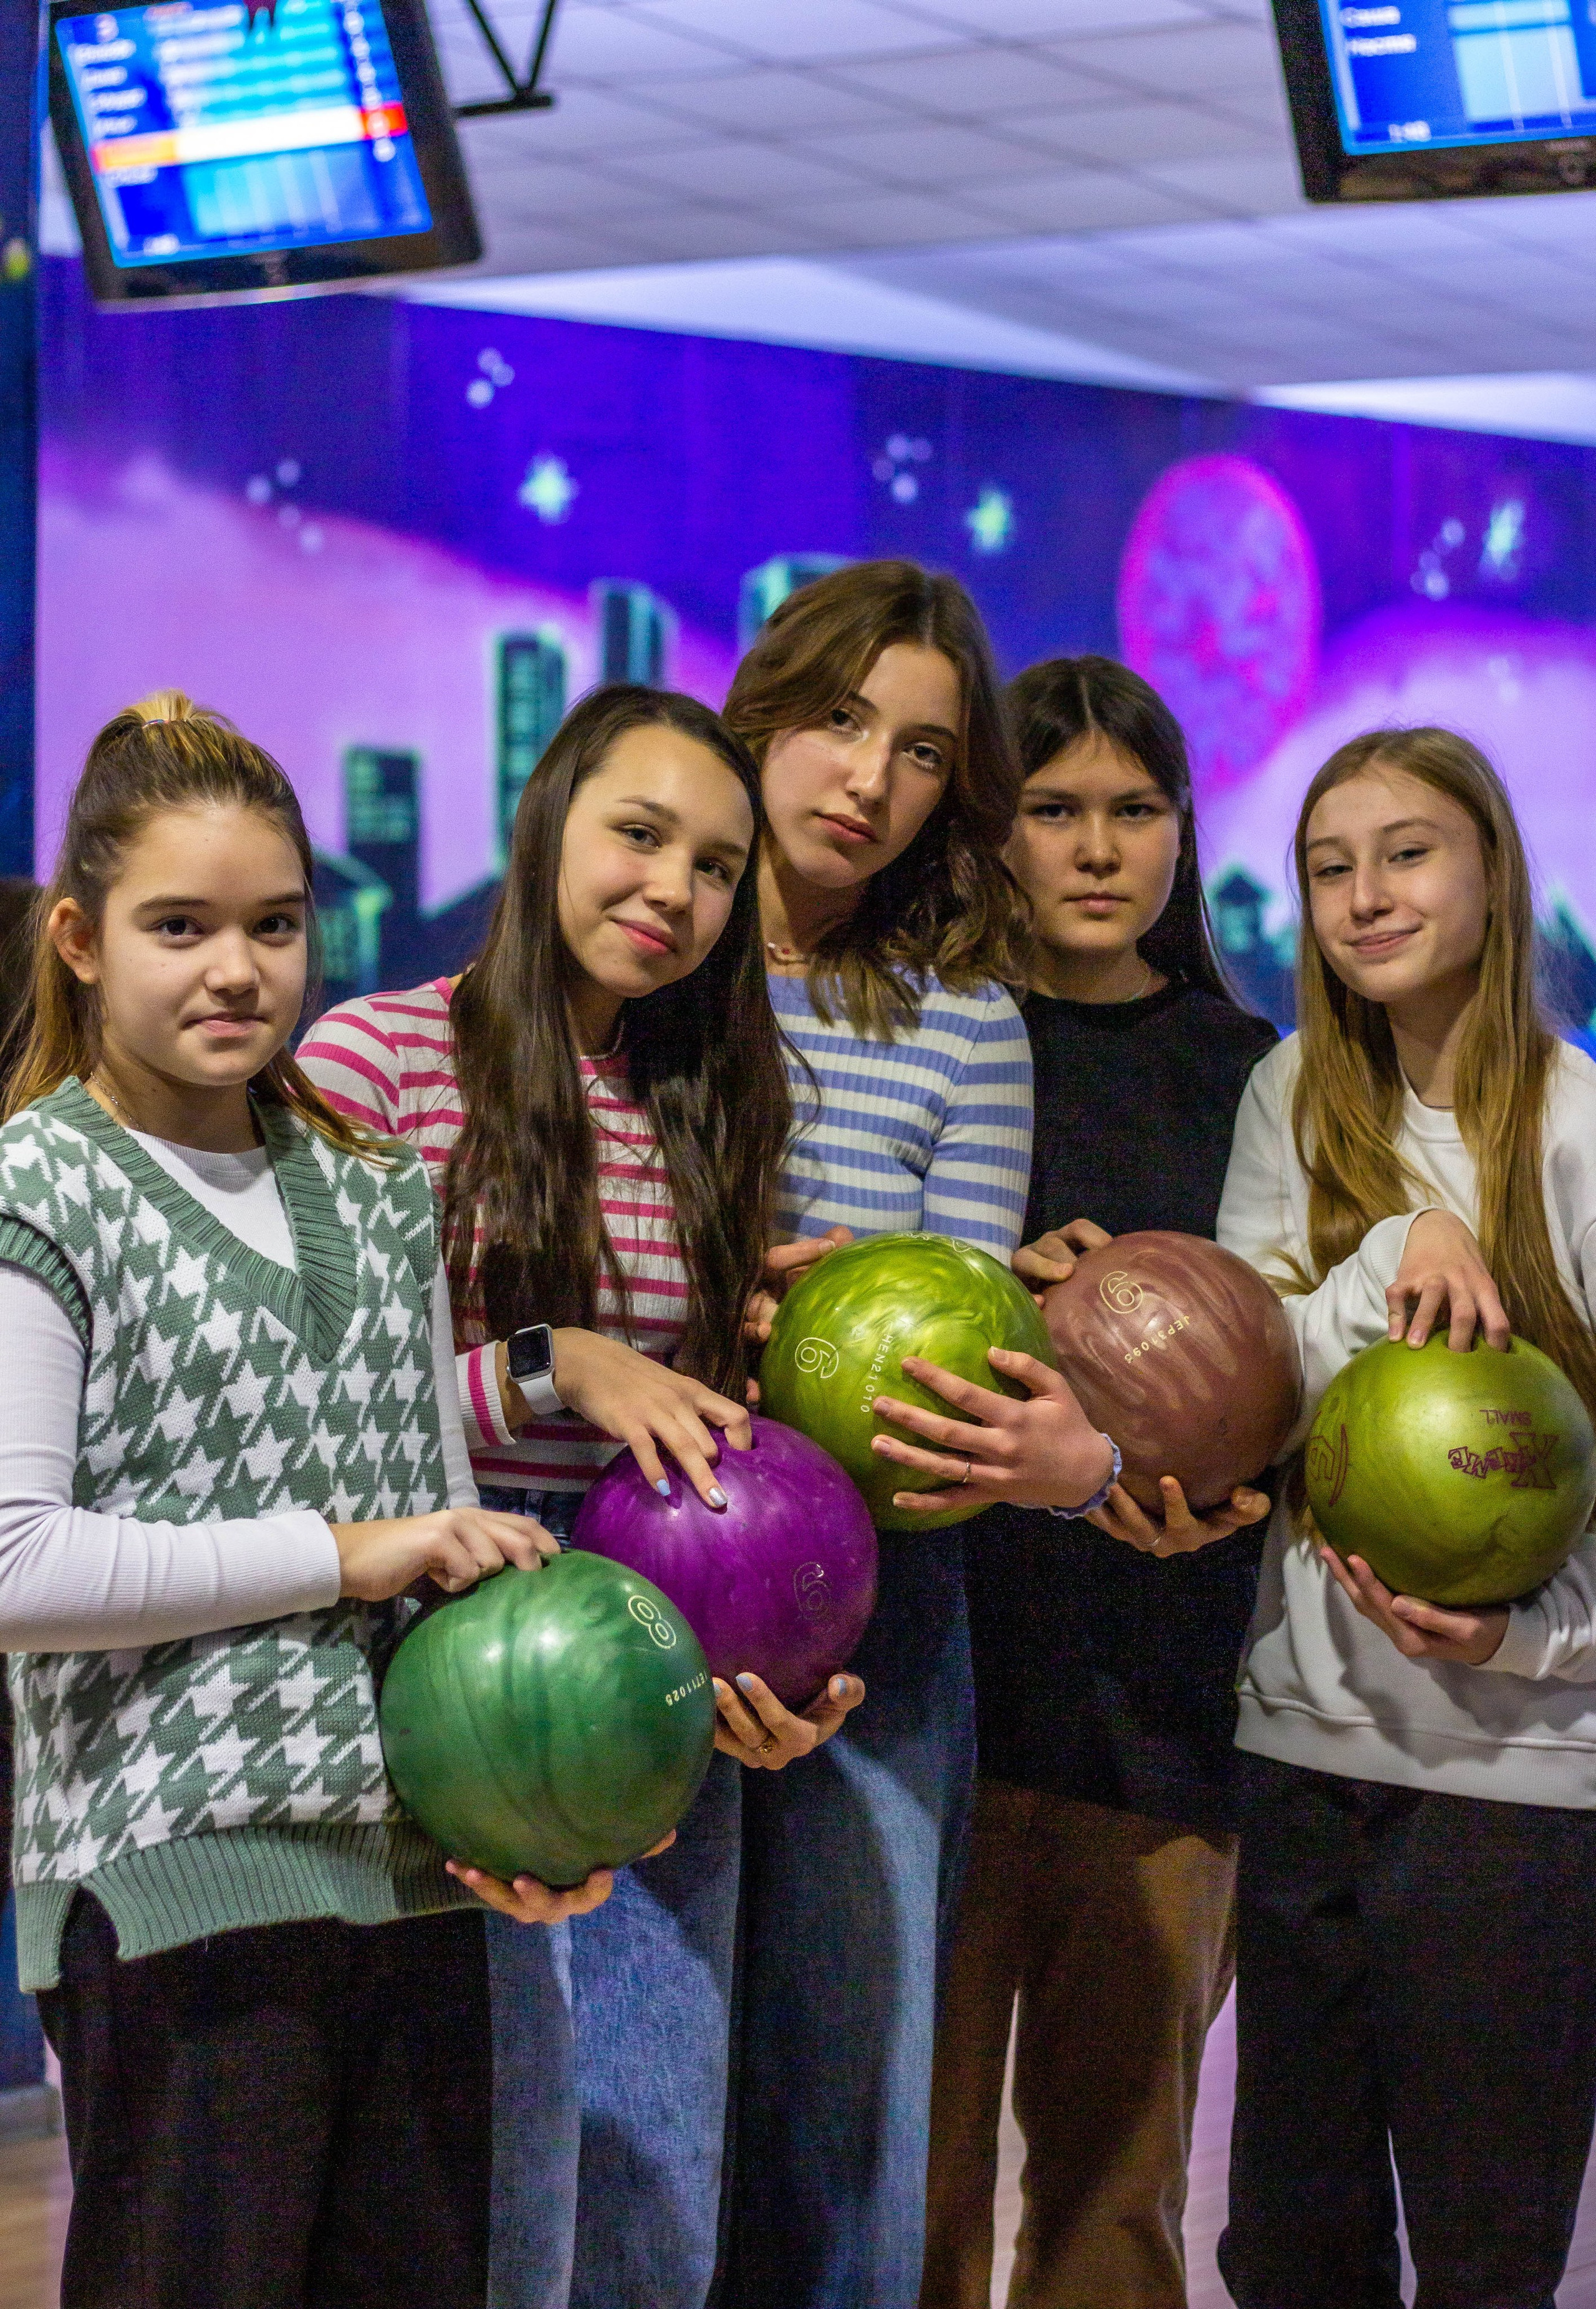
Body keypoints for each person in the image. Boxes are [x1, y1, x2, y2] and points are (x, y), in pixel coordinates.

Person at [0, 693, 598, 2309]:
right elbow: (17, 1566)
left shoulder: (376, 1187)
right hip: (173, 1888)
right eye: (177, 925)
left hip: (410, 1880)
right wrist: (338, 1556)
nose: (234, 969)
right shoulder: (35, 1187)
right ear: (78, 937)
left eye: (273, 924)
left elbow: (444, 1530)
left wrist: (529, 1814)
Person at [300, 685, 858, 2309]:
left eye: (712, 865)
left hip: (644, 1712)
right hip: (430, 1710)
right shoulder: (377, 1056)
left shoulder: (713, 1108)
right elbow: (323, 1419)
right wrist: (562, 1363)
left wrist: (762, 1663)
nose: (671, 891)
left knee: (650, 2236)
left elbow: (696, 1472)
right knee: (494, 2236)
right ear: (548, 821)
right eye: (637, 834)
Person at [875, 655, 1272, 2309]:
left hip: (1167, 1718)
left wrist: (1234, 1449)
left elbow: (1305, 1376)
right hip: (934, 1711)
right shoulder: (926, 1045)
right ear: (993, 833)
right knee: (907, 2204)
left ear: (1182, 832)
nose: (1098, 848)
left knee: (1116, 2214)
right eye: (1054, 811)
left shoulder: (1263, 1076)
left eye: (1135, 809)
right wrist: (1003, 1294)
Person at [1206, 728, 1596, 2309]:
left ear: (1492, 869)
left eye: (1407, 850)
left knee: (1485, 2253)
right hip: (1303, 1756)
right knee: (1290, 2255)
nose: (1364, 895)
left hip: (1519, 1777)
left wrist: (1530, 1635)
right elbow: (1244, 1396)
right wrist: (1395, 1245)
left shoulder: (1579, 1130)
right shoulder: (1286, 1094)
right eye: (1325, 864)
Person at [715, 559, 1036, 2309]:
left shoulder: (970, 1024)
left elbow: (962, 1325)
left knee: (848, 2093)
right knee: (646, 2099)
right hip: (652, 1558)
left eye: (921, 752)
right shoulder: (646, 966)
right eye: (842, 723)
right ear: (763, 714)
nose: (870, 780)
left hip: (883, 1595)